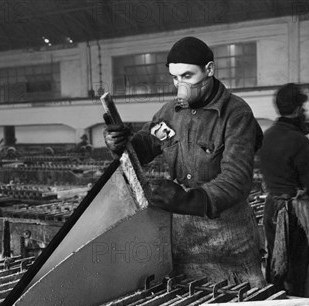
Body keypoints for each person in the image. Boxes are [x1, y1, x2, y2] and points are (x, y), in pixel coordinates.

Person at [103, 36, 265, 288]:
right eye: (175, 78)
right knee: (189, 299)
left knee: (239, 300)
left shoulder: (236, 114)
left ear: (209, 70)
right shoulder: (170, 114)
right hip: (184, 238)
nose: (180, 85)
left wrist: (185, 200)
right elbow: (147, 144)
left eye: (187, 76)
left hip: (228, 239)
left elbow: (237, 181)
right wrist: (121, 143)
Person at [260, 84, 309, 296]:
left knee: (275, 262)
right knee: (298, 268)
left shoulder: (267, 137)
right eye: (303, 108)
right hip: (294, 213)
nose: (305, 112)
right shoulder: (300, 142)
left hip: (271, 209)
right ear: (298, 109)